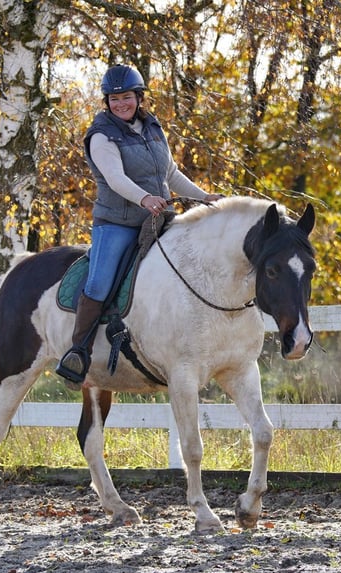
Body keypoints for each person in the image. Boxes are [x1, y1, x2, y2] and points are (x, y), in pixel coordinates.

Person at [56, 64, 222, 385]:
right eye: (114, 99)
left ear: (139, 97)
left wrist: (202, 197)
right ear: (107, 102)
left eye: (127, 97)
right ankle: (79, 351)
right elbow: (115, 178)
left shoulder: (152, 127)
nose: (121, 104)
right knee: (100, 284)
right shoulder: (101, 136)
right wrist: (145, 198)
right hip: (117, 223)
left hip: (158, 219)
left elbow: (170, 174)